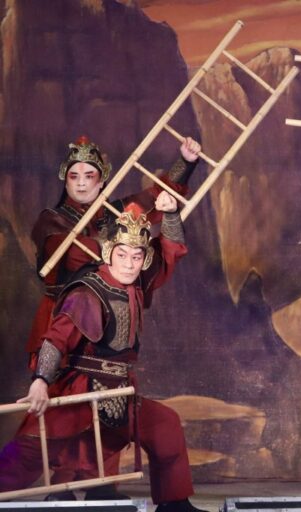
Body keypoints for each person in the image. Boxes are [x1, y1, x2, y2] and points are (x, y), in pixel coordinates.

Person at [0, 197, 205, 512]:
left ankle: (175, 504)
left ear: (143, 259)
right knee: (28, 456)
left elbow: (169, 253)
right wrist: (40, 381)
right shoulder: (88, 291)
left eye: (136, 256)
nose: (129, 264)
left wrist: (171, 214)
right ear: (109, 253)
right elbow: (55, 339)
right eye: (122, 255)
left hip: (119, 392)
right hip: (79, 393)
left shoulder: (138, 281)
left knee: (165, 425)